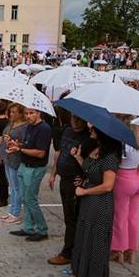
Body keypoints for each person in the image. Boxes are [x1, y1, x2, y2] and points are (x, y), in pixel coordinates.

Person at [69, 127, 121, 277]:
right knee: (84, 235)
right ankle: (81, 272)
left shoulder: (110, 157)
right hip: (88, 201)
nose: (89, 129)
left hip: (99, 202)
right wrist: (77, 157)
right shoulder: (96, 149)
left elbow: (107, 186)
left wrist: (85, 191)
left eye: (93, 128)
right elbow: (89, 168)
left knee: (95, 239)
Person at [47, 113, 89, 265]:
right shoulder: (67, 131)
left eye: (79, 118)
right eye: (73, 117)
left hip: (75, 182)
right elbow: (60, 154)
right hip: (64, 180)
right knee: (68, 217)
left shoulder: (88, 137)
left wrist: (85, 177)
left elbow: (92, 162)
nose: (76, 121)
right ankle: (72, 249)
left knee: (72, 219)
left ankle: (68, 252)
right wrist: (53, 173)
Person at [7, 108, 52, 241]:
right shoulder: (29, 127)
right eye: (26, 113)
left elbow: (40, 153)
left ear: (39, 113)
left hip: (34, 168)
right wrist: (17, 144)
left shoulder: (44, 128)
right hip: (24, 166)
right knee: (25, 198)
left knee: (31, 200)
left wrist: (19, 148)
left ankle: (42, 230)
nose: (28, 116)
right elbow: (28, 145)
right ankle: (28, 228)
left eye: (31, 113)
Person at [111, 124, 139, 264]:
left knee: (120, 217)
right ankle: (132, 251)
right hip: (136, 178)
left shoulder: (122, 144)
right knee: (133, 217)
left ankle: (119, 249)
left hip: (123, 179)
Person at [2, 104, 28, 225]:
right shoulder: (11, 124)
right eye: (10, 112)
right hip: (8, 157)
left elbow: (25, 143)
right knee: (11, 187)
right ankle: (11, 211)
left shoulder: (24, 127)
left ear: (20, 113)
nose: (11, 114)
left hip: (16, 159)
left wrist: (14, 143)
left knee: (16, 188)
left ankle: (15, 213)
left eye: (14, 112)